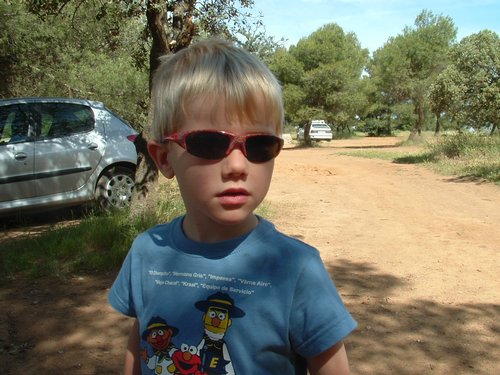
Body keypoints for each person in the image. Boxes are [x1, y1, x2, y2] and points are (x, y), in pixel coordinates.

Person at [109, 38, 357, 375]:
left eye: (260, 145)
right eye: (210, 143)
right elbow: (140, 343)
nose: (238, 165)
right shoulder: (146, 254)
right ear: (164, 158)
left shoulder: (296, 268)